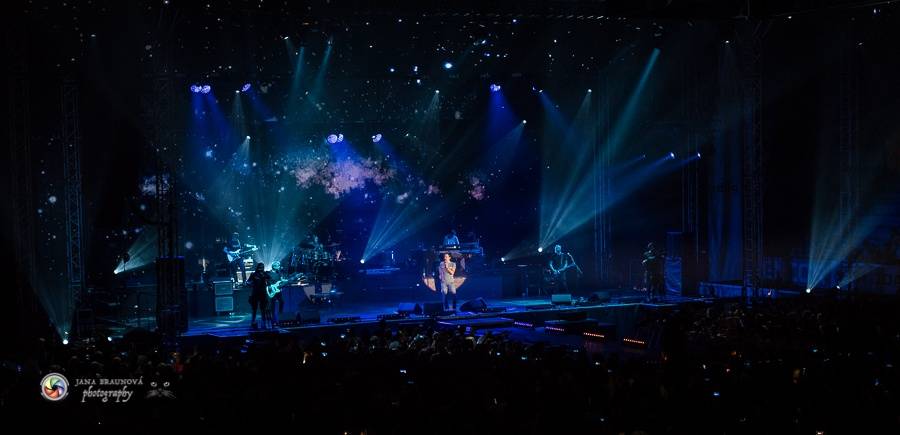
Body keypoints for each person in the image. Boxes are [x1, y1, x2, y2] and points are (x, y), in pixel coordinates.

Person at [245, 263, 271, 329]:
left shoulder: (265, 274)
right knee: (254, 309)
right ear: (257, 267)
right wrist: (249, 284)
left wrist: (265, 276)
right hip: (255, 293)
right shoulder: (253, 274)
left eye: (262, 267)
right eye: (260, 267)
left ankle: (263, 323)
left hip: (263, 293)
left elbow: (269, 279)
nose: (261, 268)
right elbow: (248, 281)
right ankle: (253, 322)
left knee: (263, 309)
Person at [268, 261, 285, 325]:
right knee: (273, 305)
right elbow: (267, 282)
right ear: (274, 266)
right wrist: (270, 287)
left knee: (282, 302)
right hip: (272, 291)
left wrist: (284, 282)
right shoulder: (269, 273)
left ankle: (280, 315)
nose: (279, 267)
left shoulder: (279, 273)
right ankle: (273, 319)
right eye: (278, 266)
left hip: (278, 291)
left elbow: (281, 281)